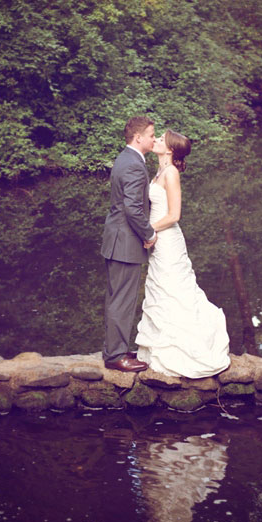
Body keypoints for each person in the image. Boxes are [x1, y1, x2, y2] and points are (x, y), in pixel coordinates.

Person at [135, 129, 230, 378]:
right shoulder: (160, 172)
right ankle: (161, 348)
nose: (154, 140)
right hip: (158, 240)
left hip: (167, 241)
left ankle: (185, 351)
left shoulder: (171, 173)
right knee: (161, 289)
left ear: (169, 149)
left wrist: (147, 230)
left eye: (159, 139)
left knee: (173, 289)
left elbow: (174, 215)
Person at [101, 116, 158, 372]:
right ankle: (115, 357)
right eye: (151, 135)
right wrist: (149, 234)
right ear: (138, 138)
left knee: (117, 298)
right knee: (122, 301)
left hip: (117, 240)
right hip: (125, 243)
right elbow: (133, 209)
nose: (153, 139)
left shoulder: (125, 158)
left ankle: (116, 349)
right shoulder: (134, 165)